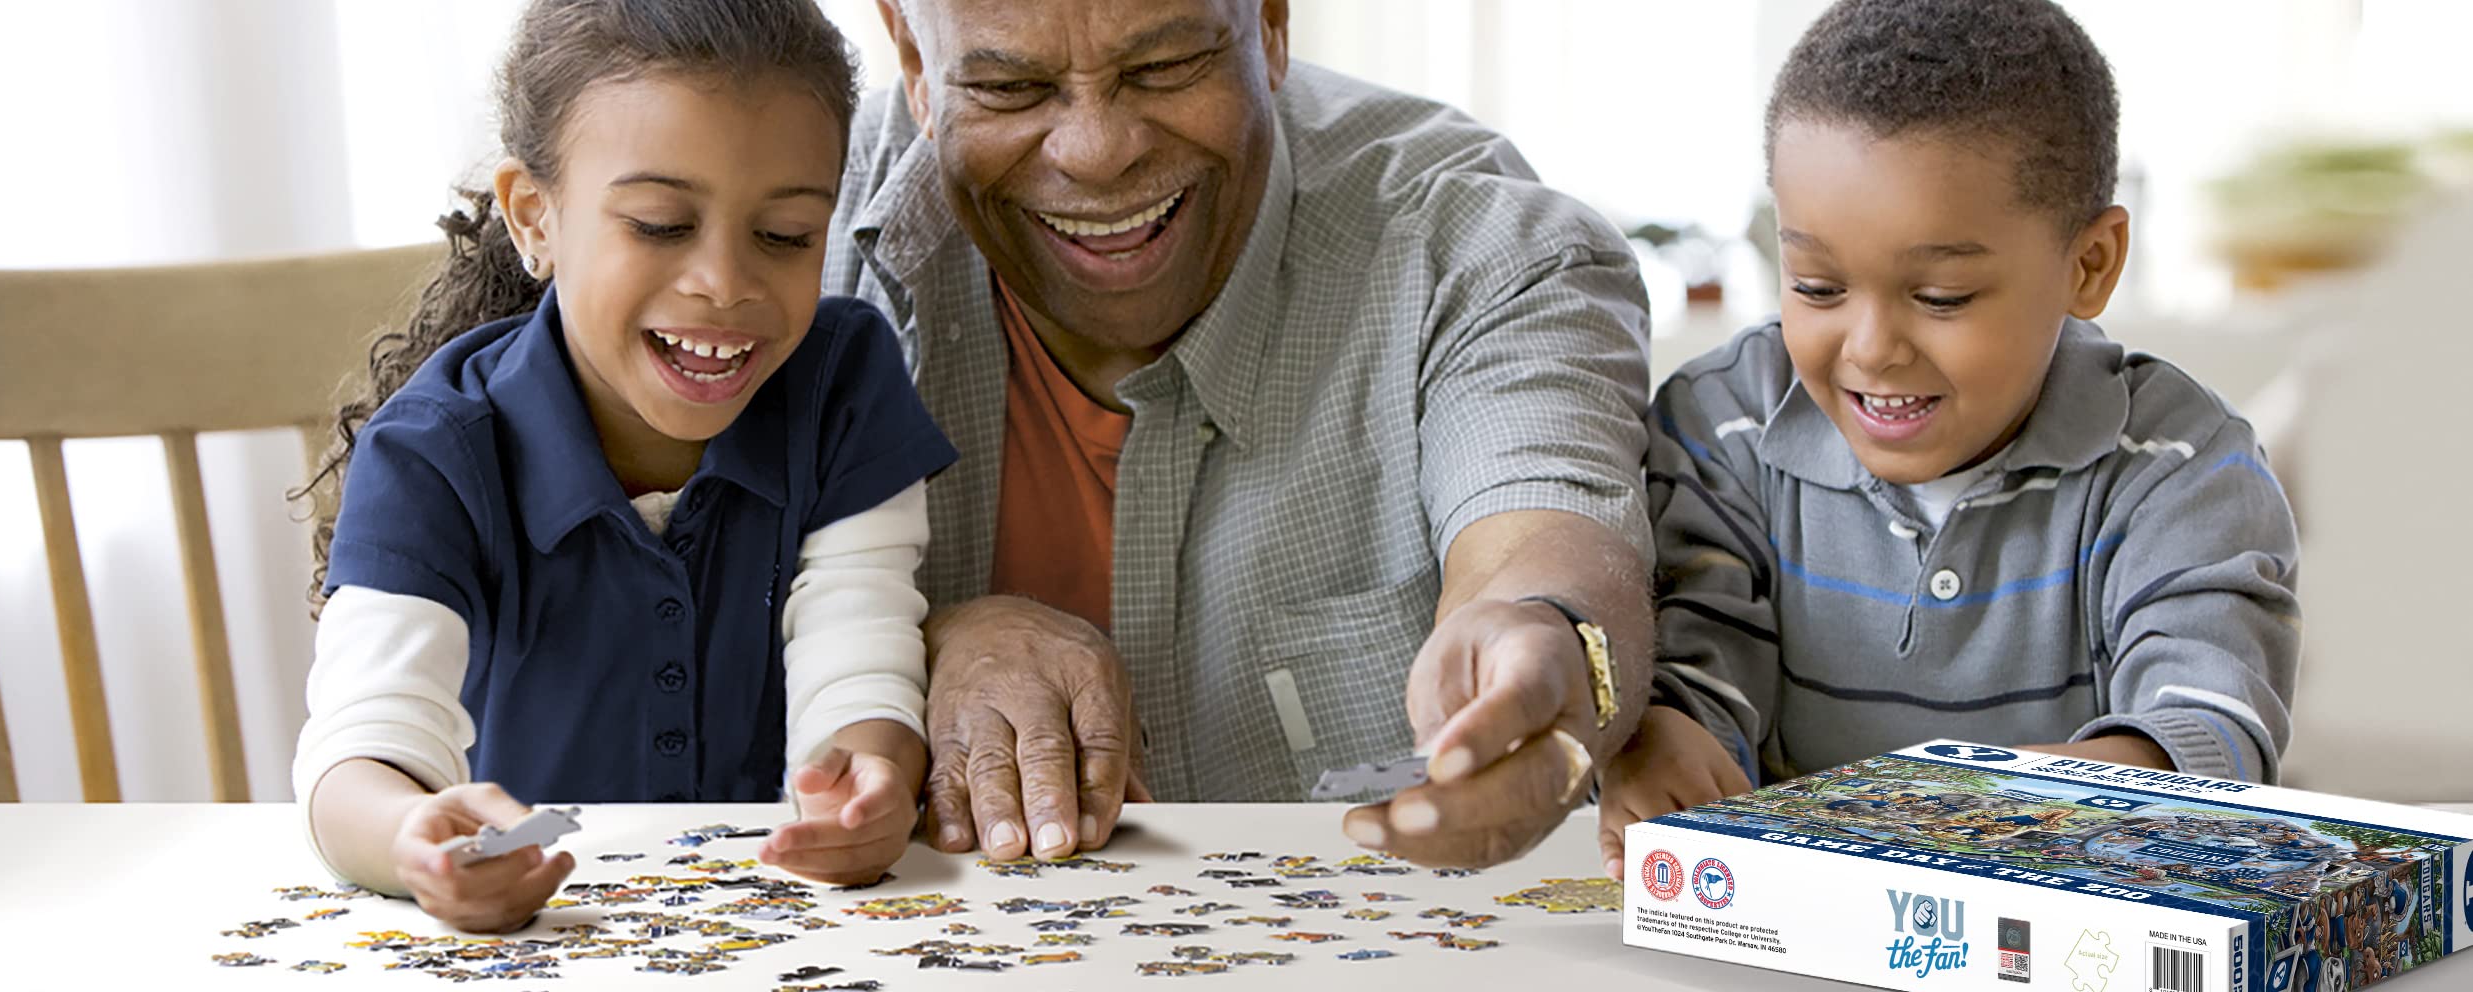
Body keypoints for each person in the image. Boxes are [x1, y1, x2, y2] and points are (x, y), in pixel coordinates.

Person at [829, 0, 1656, 869]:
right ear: (914, 61)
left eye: (1165, 67)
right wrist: (911, 642)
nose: (1097, 151)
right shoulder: (769, 223)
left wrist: (1550, 644)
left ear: (1269, 23)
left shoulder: (1476, 244)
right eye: (1008, 86)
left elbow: (1541, 539)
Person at [288, 0, 956, 932]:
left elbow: (859, 648)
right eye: (657, 223)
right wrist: (411, 836)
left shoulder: (844, 384)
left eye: (787, 235)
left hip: (787, 929)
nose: (724, 281)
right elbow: (359, 750)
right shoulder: (433, 451)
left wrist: (868, 777)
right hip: (539, 939)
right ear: (535, 217)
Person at [1599, 0, 2300, 879]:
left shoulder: (2180, 465)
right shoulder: (1721, 425)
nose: (1870, 348)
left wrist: (2087, 788)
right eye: (1816, 286)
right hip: (1782, 929)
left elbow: (2207, 714)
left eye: (1941, 298)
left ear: (2089, 265)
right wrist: (1664, 734)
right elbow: (1700, 650)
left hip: (2067, 919)